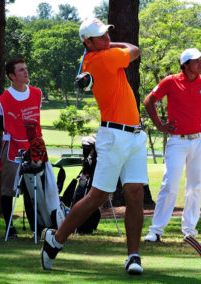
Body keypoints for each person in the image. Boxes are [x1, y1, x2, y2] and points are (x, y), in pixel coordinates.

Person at [41, 18, 148, 275]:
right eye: (100, 37)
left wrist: (106, 45)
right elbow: (135, 50)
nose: (107, 39)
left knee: (136, 194)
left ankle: (133, 256)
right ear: (88, 42)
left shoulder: (98, 56)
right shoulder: (103, 59)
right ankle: (56, 240)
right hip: (113, 135)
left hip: (135, 135)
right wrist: (115, 46)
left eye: (107, 34)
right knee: (97, 197)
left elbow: (128, 51)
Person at [143, 48, 201, 242]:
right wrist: (159, 125)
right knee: (170, 185)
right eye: (196, 61)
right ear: (185, 64)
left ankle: (189, 231)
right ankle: (156, 230)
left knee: (195, 187)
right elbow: (149, 101)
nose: (200, 64)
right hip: (177, 141)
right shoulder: (170, 81)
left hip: (200, 141)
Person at [0, 58, 64, 238]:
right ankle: (9, 227)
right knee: (8, 188)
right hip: (13, 147)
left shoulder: (37, 93)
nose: (26, 72)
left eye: (26, 69)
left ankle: (38, 226)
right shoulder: (3, 99)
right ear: (12, 76)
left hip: (35, 146)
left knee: (34, 186)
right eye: (21, 70)